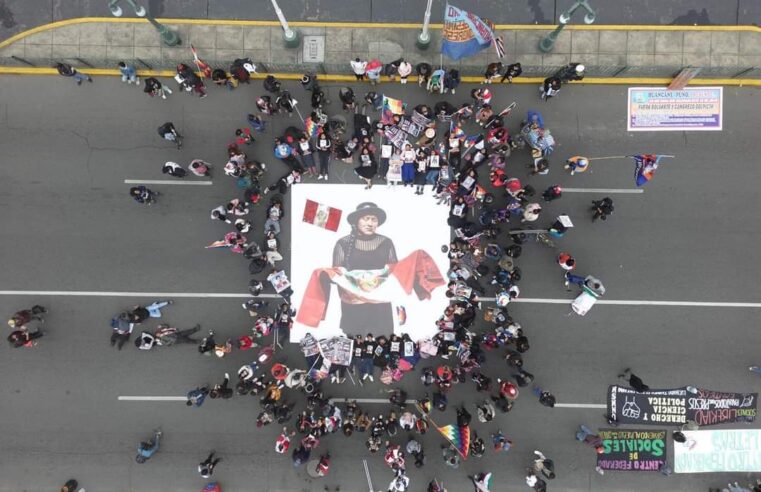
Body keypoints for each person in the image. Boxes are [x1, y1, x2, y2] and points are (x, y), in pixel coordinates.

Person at [330, 203, 398, 336]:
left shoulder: (386, 242)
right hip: (354, 303)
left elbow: (395, 272)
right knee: (355, 340)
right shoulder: (342, 243)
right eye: (366, 218)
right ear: (356, 221)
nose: (370, 223)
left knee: (382, 338)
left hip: (380, 304)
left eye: (374, 219)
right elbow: (336, 275)